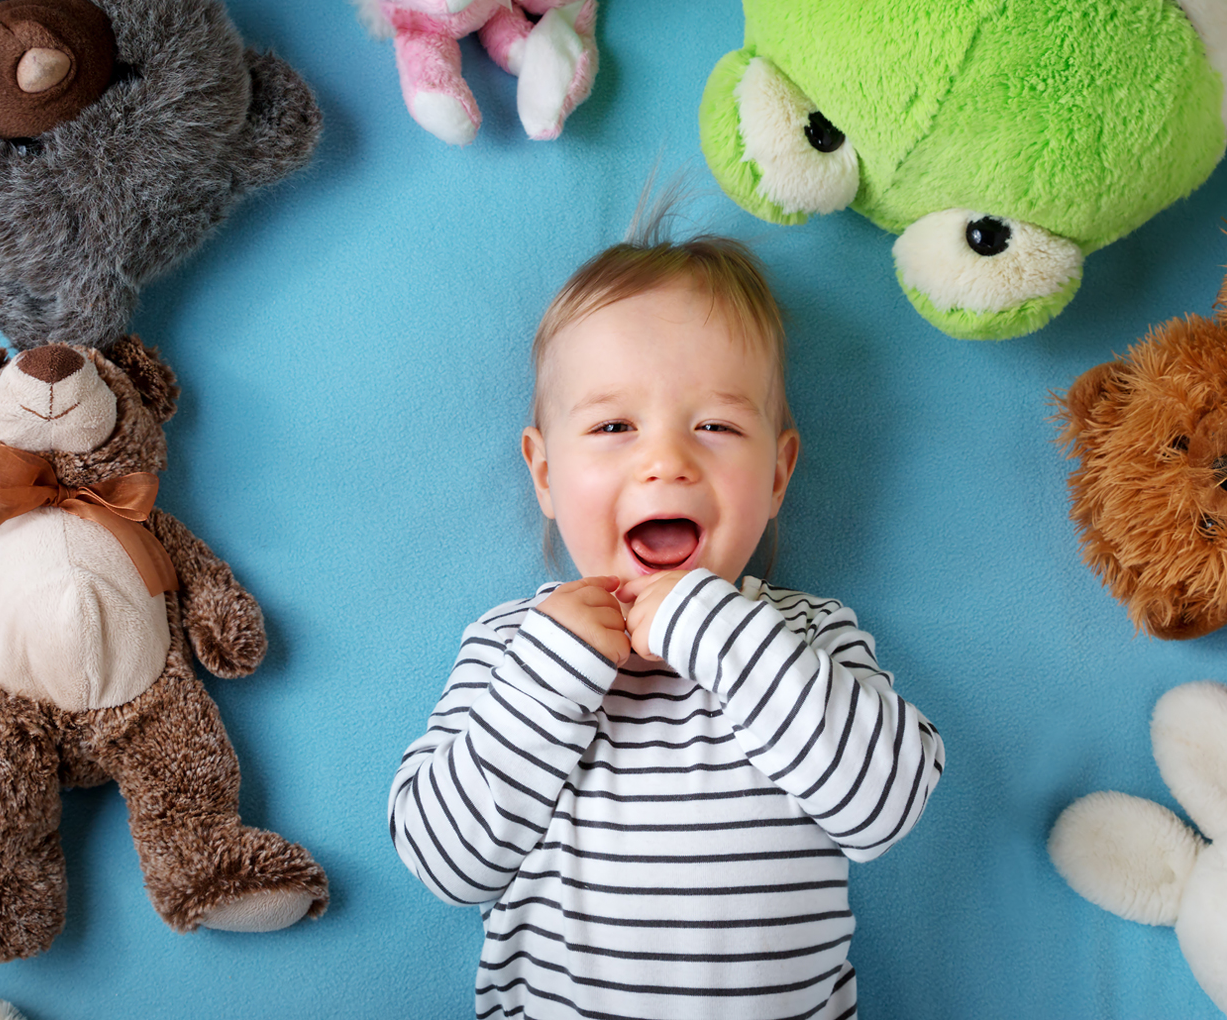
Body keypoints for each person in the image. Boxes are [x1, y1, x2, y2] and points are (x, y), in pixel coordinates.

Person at [389, 211, 944, 1019]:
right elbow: (445, 862)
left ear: (779, 472)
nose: (667, 461)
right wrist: (553, 674)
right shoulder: (515, 648)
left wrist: (712, 627)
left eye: (715, 426)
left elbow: (885, 808)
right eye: (614, 427)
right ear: (544, 472)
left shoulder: (809, 638)